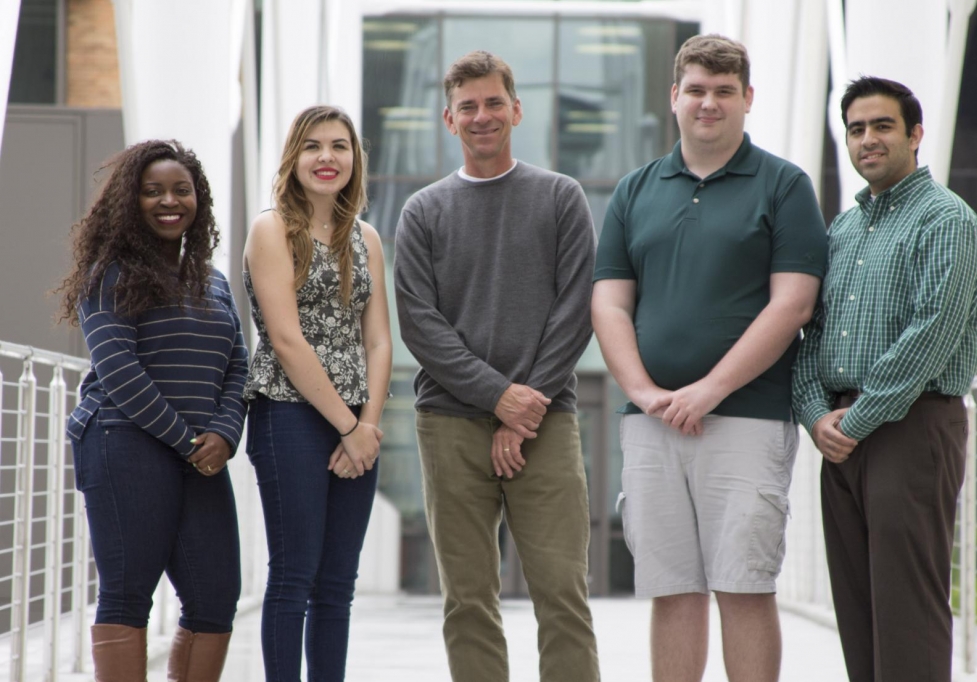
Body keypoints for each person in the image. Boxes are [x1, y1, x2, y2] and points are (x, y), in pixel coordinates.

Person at [591, 34, 828, 682]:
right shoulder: (636, 190)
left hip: (747, 418)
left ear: (747, 98)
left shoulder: (784, 185)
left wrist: (708, 390)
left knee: (744, 585)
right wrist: (643, 392)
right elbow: (609, 305)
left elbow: (793, 305)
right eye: (696, 89)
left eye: (724, 91)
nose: (709, 103)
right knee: (671, 590)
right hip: (650, 423)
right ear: (674, 97)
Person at [394, 50, 601, 682]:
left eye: (492, 103)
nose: (481, 116)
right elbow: (419, 324)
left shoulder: (561, 198)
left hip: (546, 422)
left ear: (516, 108)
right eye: (467, 107)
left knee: (563, 593)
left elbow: (576, 309)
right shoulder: (422, 212)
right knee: (467, 600)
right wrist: (497, 398)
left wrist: (522, 407)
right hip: (450, 423)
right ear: (448, 121)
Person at [792, 76, 977, 682]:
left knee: (908, 611)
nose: (868, 139)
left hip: (912, 425)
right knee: (858, 609)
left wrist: (857, 417)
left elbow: (933, 331)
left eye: (882, 126)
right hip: (841, 435)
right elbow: (808, 332)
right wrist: (813, 413)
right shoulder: (842, 231)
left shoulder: (947, 218)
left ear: (915, 135)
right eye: (856, 129)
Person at [57, 139, 249, 682]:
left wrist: (225, 433)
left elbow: (239, 363)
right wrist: (189, 441)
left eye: (181, 190)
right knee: (128, 592)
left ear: (198, 199)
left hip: (203, 453)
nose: (169, 201)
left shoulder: (211, 280)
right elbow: (118, 370)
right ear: (130, 202)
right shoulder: (108, 274)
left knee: (215, 598)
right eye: (152, 191)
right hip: (124, 443)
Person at [242, 104, 391, 681]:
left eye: (339, 146)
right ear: (293, 157)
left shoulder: (367, 238)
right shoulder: (272, 228)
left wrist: (368, 426)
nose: (327, 158)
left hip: (358, 424)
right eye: (313, 146)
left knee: (337, 586)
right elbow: (285, 339)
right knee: (294, 575)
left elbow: (378, 341)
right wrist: (348, 429)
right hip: (289, 416)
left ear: (355, 159)